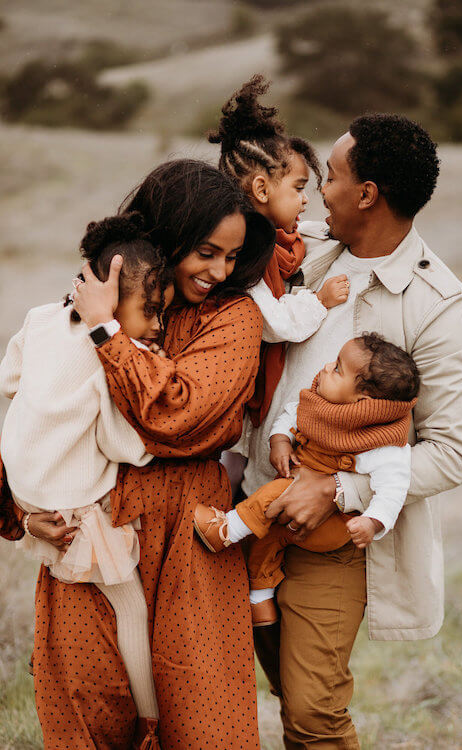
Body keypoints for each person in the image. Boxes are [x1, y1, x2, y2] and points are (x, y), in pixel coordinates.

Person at [0, 159, 275, 749]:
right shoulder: (96, 299)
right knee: (86, 711)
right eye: (205, 251)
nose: (218, 271)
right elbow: (34, 409)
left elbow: (179, 415)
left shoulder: (233, 317)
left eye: (230, 256)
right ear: (167, 233)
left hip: (189, 538)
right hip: (92, 527)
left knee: (207, 722)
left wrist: (109, 334)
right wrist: (24, 511)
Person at [242, 114, 462, 748]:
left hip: (330, 538)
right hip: (242, 506)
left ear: (367, 194)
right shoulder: (300, 249)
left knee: (313, 714)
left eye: (335, 177)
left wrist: (337, 486)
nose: (321, 189)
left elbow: (454, 453)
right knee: (264, 692)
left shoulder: (438, 303)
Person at [0, 212, 175, 737]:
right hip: (73, 501)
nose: (159, 325)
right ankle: (150, 717)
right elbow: (122, 443)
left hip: (25, 488)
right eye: (151, 312)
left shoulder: (38, 318)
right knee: (129, 604)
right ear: (111, 302)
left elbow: (10, 379)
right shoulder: (111, 354)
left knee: (69, 601)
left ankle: (67, 690)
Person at [194, 333, 418, 626]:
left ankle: (225, 530)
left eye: (337, 369)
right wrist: (280, 442)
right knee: (266, 541)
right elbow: (291, 416)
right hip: (290, 510)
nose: (326, 367)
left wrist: (373, 521)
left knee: (275, 493)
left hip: (331, 525)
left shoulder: (381, 442)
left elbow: (394, 489)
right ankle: (260, 600)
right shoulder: (319, 403)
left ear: (362, 399)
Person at [210, 75, 349, 492]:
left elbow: (299, 231)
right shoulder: (246, 248)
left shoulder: (278, 235)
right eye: (299, 188)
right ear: (260, 188)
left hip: (244, 375)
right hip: (227, 374)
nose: (308, 199)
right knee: (231, 469)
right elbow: (270, 322)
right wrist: (319, 302)